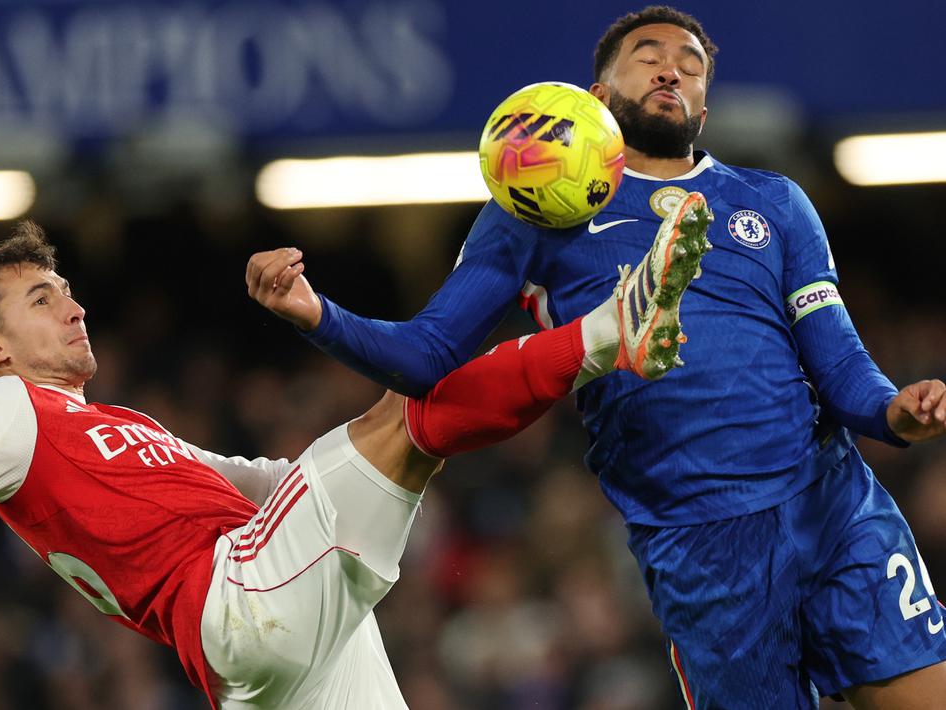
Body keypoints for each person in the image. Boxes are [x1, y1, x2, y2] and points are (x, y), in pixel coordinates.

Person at [253, 6, 946, 709]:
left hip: (829, 504)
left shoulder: (772, 202)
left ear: (702, 107)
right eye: (647, 55)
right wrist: (317, 314)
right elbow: (427, 354)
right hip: (697, 537)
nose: (671, 68)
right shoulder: (536, 214)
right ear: (596, 95)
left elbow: (838, 363)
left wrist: (893, 412)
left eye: (691, 64)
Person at [0, 213, 705, 709]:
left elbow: (249, 474)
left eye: (68, 287)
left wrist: (327, 474)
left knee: (396, 434)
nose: (73, 305)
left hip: (265, 663)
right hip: (239, 594)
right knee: (411, 414)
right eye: (41, 299)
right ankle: (613, 327)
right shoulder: (5, 413)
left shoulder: (105, 427)